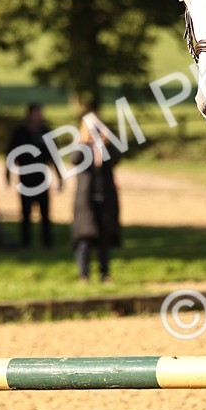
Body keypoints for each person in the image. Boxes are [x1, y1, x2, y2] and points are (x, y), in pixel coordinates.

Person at [71, 111, 121, 283]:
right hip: (86, 200)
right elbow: (75, 159)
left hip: (105, 197)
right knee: (84, 238)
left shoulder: (105, 147)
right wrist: (85, 141)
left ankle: (104, 273)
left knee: (104, 238)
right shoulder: (81, 147)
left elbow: (116, 158)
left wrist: (105, 139)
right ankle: (83, 274)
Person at [5, 104, 62, 248]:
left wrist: (60, 177)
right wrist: (7, 173)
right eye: (37, 114)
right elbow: (11, 154)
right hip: (25, 178)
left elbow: (54, 157)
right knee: (25, 213)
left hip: (42, 178)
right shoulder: (20, 133)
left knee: (45, 213)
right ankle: (26, 243)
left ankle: (47, 243)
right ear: (30, 115)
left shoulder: (46, 133)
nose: (39, 116)